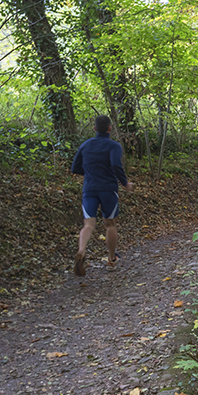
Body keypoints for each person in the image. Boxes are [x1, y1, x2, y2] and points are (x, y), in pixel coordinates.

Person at [70, 114, 134, 276]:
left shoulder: (85, 145)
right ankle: (111, 259)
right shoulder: (114, 146)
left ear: (94, 128)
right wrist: (125, 183)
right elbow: (115, 164)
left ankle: (81, 250)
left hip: (89, 189)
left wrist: (92, 172)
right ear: (110, 128)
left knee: (88, 225)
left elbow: (75, 168)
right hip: (108, 189)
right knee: (110, 224)